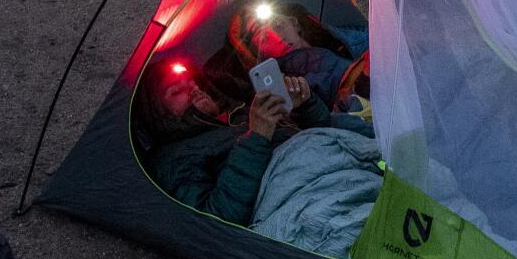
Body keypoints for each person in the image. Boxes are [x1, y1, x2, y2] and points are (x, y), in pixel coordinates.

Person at [142, 61, 368, 225]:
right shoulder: (174, 158)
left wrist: (305, 106)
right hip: (303, 192)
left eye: (192, 82)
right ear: (160, 113)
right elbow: (217, 219)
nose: (193, 89)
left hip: (332, 157)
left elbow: (320, 130)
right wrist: (257, 137)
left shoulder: (238, 114)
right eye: (177, 91)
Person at [229, 2, 361, 107]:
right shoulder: (284, 93)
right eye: (261, 32)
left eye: (275, 21)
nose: (274, 33)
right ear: (258, 54)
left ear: (294, 23)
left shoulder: (346, 39)